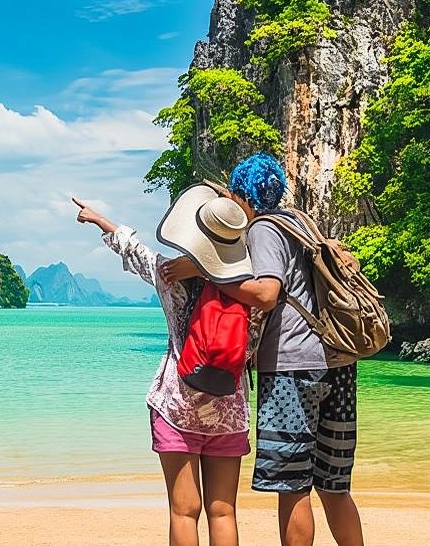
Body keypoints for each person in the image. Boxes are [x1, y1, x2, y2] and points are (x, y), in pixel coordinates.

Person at [163, 154, 365, 546]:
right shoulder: (302, 222)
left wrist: (208, 271)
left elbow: (267, 294)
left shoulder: (264, 231)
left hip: (292, 368)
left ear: (242, 197)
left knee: (293, 486)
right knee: (333, 486)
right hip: (338, 364)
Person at [73, 185, 254, 546]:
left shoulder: (169, 273)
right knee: (224, 511)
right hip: (230, 408)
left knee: (183, 511)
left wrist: (98, 220)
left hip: (176, 402)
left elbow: (134, 250)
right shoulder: (250, 288)